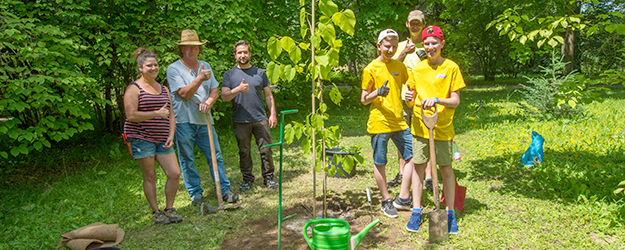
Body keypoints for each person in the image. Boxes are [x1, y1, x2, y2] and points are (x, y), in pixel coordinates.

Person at [166, 30, 238, 206]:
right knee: (187, 158)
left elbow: (214, 89)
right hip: (184, 121)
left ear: (199, 49)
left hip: (205, 120)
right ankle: (195, 194)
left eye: (195, 47)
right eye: (187, 47)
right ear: (181, 49)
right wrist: (198, 78)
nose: (191, 50)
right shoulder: (174, 69)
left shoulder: (205, 65)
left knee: (215, 156)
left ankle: (224, 190)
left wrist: (209, 102)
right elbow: (184, 94)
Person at [404, 26, 465, 234]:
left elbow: (455, 101)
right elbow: (411, 98)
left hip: (443, 128)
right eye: (426, 43)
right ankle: (416, 210)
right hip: (420, 128)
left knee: (446, 169)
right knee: (419, 169)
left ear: (442, 44)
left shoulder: (451, 68)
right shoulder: (418, 69)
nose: (430, 47)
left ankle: (449, 214)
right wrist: (409, 100)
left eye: (434, 43)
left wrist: (437, 100)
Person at [123, 47, 183, 225]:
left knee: (174, 173)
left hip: (163, 139)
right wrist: (156, 113)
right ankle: (156, 211)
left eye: (155, 65)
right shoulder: (133, 89)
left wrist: (171, 134)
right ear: (140, 68)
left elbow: (171, 114)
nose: (154, 68)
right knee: (149, 176)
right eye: (149, 65)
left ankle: (170, 208)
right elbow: (131, 115)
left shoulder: (163, 88)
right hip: (142, 138)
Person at [361, 29, 415, 218]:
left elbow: (411, 87)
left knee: (414, 157)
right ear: (379, 46)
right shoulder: (370, 69)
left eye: (394, 46)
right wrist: (377, 93)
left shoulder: (400, 67)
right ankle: (385, 200)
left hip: (399, 121)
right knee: (380, 162)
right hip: (380, 123)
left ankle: (403, 197)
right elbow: (364, 99)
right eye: (387, 46)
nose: (390, 50)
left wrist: (411, 96)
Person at [222, 40, 279, 191]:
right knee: (244, 151)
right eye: (239, 52)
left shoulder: (260, 73)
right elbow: (224, 96)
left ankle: (269, 178)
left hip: (260, 118)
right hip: (240, 120)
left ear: (250, 54)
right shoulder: (230, 74)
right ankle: (247, 180)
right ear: (235, 55)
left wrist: (272, 114)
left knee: (266, 149)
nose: (242, 55)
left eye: (245, 52)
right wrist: (238, 89)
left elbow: (268, 95)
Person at [387, 9, 433, 191]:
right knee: (402, 137)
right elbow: (390, 68)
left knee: (425, 136)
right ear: (407, 24)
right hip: (402, 98)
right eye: (411, 22)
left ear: (423, 25)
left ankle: (428, 176)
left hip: (423, 100)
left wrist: (426, 59)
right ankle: (401, 173)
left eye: (418, 23)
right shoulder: (398, 46)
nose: (414, 25)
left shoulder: (429, 44)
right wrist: (404, 53)